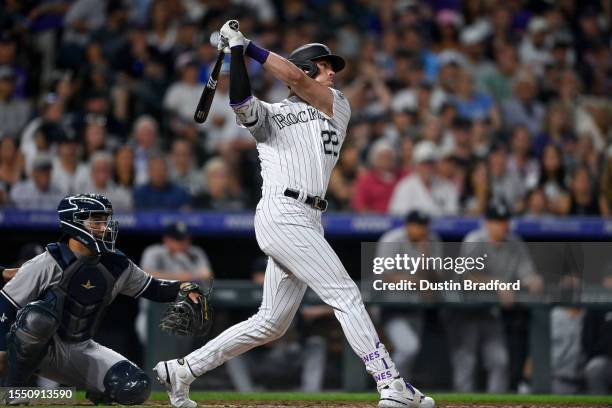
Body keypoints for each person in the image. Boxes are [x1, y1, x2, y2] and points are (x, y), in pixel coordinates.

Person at [154, 20, 435, 408]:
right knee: (345, 294)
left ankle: (183, 370)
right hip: (282, 211)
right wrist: (237, 53)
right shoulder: (270, 113)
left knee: (271, 322)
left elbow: (299, 83)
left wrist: (246, 45)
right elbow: (239, 103)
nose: (332, 71)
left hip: (308, 218)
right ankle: (390, 382)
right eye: (323, 65)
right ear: (304, 69)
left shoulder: (336, 105)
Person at [0, 194, 205, 405]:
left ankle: (93, 391)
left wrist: (182, 287)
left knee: (135, 387)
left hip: (81, 347)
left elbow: (153, 288)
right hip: (39, 348)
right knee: (37, 319)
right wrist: (2, 350)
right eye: (95, 221)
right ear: (74, 222)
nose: (104, 227)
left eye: (105, 220)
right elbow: (6, 304)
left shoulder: (116, 264)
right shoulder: (49, 261)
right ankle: (15, 391)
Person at [450, 201, 543, 393]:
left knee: (500, 361)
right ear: (487, 223)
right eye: (498, 221)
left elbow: (527, 272)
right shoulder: (474, 239)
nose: (503, 225)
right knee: (466, 363)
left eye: (505, 220)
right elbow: (467, 276)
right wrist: (497, 284)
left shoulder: (514, 242)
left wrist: (532, 279)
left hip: (491, 314)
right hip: (465, 310)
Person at [376, 210, 443, 378]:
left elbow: (437, 278)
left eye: (424, 226)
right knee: (409, 347)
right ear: (407, 225)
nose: (421, 230)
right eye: (417, 226)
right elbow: (386, 276)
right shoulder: (391, 240)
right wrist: (417, 281)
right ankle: (390, 383)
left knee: (412, 352)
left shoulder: (432, 241)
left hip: (417, 307)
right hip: (390, 306)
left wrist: (425, 257)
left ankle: (402, 393)